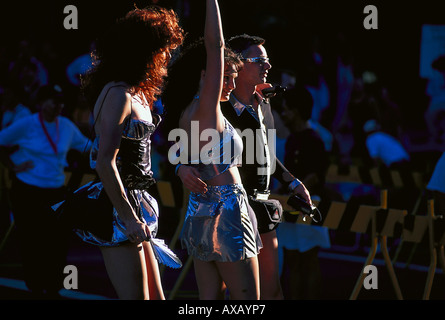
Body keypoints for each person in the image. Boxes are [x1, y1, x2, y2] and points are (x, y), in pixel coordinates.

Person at [176, 34, 312, 300]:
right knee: (232, 295)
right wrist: (181, 165)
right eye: (259, 60)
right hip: (228, 211)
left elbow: (267, 155)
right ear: (237, 64)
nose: (267, 66)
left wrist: (293, 182)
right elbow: (182, 137)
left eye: (268, 60)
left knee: (269, 291)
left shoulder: (264, 103)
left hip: (261, 207)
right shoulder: (218, 106)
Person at [75, 5, 184, 300]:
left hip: (136, 202)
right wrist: (128, 217)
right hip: (117, 208)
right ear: (144, 50)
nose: (166, 55)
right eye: (162, 48)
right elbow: (104, 162)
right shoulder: (117, 94)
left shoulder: (136, 92)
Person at [163, 0, 262, 300]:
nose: (231, 84)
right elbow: (215, 43)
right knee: (248, 300)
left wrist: (180, 167)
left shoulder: (189, 112)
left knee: (210, 301)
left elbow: (177, 151)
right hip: (226, 212)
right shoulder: (206, 108)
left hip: (201, 210)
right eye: (227, 76)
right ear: (206, 75)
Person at [0, 84, 90, 298]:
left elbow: (87, 147)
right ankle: (35, 286)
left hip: (55, 191)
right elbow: (1, 141)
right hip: (27, 190)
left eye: (60, 101)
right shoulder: (27, 124)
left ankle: (53, 287)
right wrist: (12, 166)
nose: (58, 105)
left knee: (57, 240)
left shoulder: (66, 126)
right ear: (41, 103)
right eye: (52, 101)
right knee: (31, 239)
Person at [276, 86, 331, 299]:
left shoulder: (314, 139)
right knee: (292, 259)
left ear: (297, 111)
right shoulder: (292, 139)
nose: (283, 115)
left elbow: (315, 175)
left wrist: (296, 191)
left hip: (310, 203)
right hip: (290, 204)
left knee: (308, 258)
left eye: (286, 110)